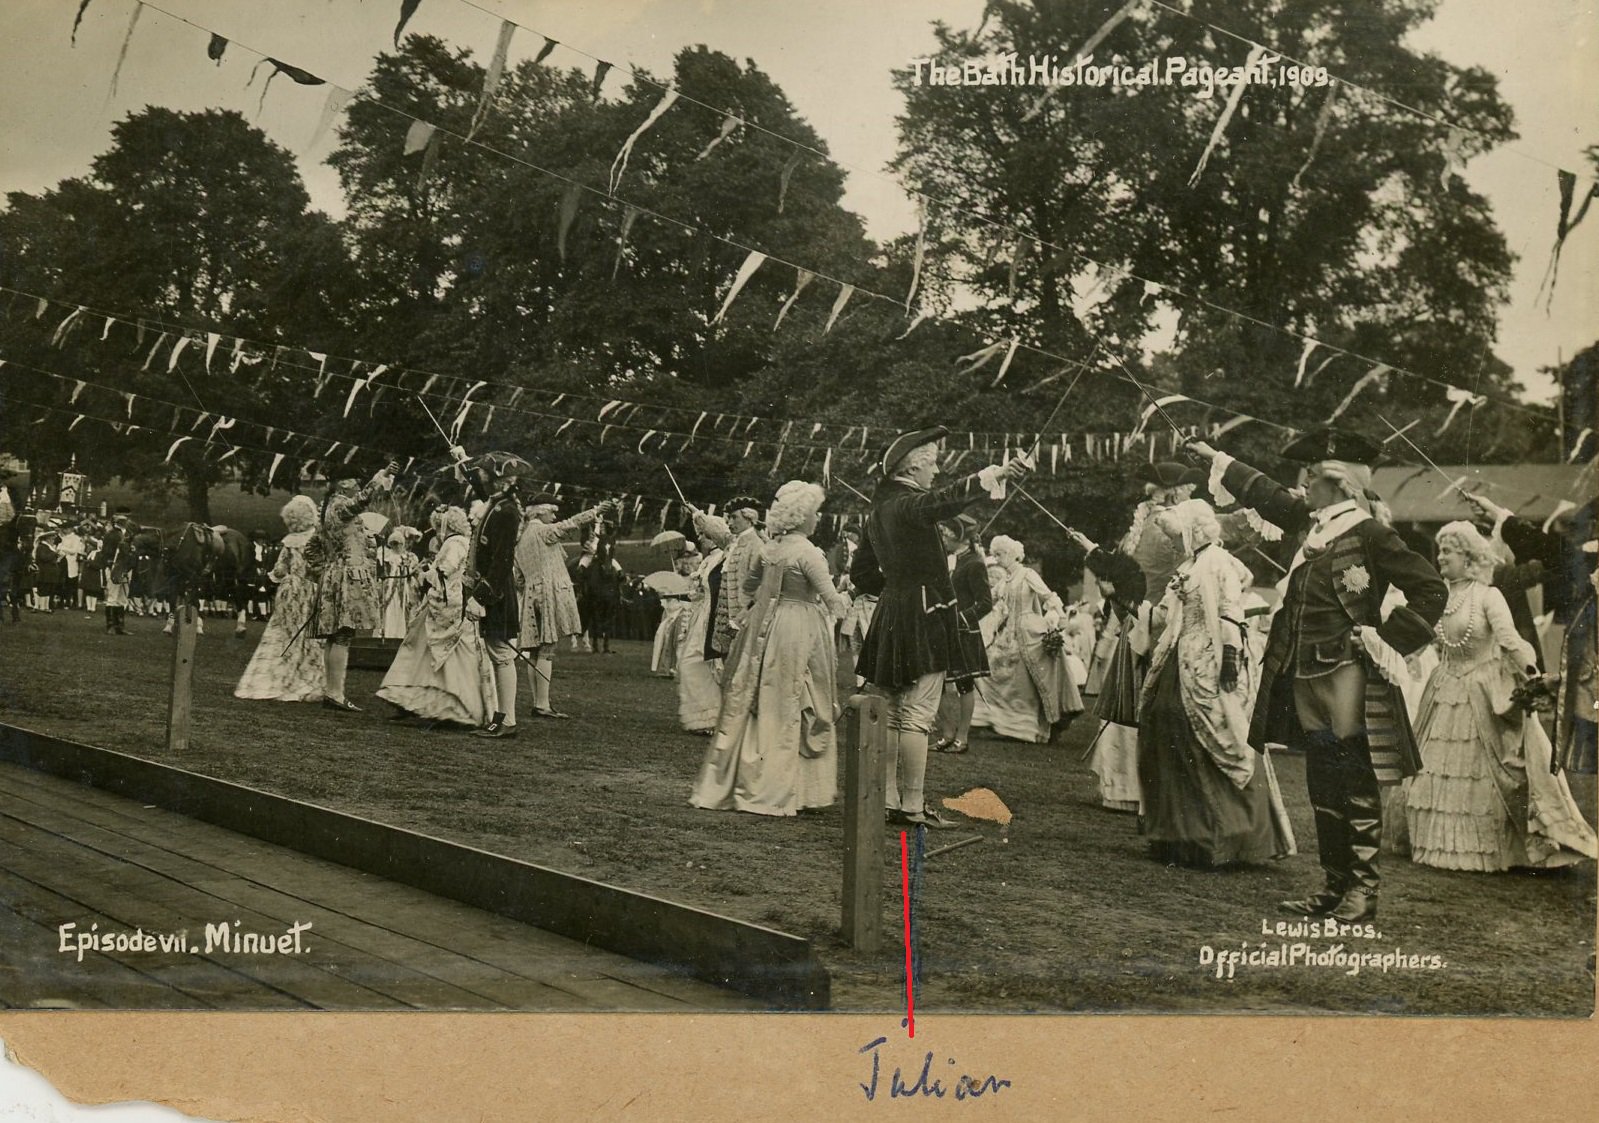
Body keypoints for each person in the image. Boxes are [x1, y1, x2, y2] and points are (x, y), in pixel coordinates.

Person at [1188, 428, 1446, 922]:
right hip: (1303, 673)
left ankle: (1363, 892)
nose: (1302, 483)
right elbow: (1263, 491)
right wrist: (1213, 458)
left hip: (1347, 674)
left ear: (1338, 482)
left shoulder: (1370, 533)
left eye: (1312, 476)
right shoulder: (1314, 526)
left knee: (1353, 779)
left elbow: (1431, 590)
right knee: (1323, 783)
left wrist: (1382, 639)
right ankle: (1334, 886)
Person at [850, 426, 1030, 828]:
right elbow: (940, 502)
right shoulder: (908, 503)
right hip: (924, 615)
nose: (935, 470)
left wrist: (896, 592)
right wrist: (995, 475)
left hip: (894, 614)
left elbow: (861, 571)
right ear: (912, 465)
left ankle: (892, 800)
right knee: (916, 715)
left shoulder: (881, 508)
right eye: (931, 463)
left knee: (897, 714)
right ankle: (911, 805)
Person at [1403, 522, 1596, 870]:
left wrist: (1532, 674)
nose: (1441, 556)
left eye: (1449, 551)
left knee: (1485, 772)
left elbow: (1509, 640)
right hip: (1443, 688)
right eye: (1441, 550)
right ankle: (1436, 843)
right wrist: (1406, 653)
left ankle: (1485, 847)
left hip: (1481, 690)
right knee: (1435, 768)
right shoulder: (1440, 594)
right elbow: (1423, 634)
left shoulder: (1488, 595)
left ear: (1469, 557)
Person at [1135, 499, 1288, 866]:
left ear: (1192, 532)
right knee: (1163, 724)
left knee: (1211, 734)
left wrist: (1231, 657)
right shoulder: (1188, 565)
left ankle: (1220, 836)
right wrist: (1129, 604)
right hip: (1178, 657)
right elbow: (1162, 616)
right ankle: (1177, 836)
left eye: (1175, 537)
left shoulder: (1217, 561)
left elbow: (1230, 610)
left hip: (1210, 659)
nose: (1172, 544)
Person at [691, 481, 849, 815]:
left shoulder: (770, 550)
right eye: (814, 513)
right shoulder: (808, 553)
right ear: (802, 516)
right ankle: (794, 788)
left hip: (768, 625)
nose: (818, 519)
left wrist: (760, 610)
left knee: (764, 697)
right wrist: (847, 598)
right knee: (800, 696)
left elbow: (749, 589)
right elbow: (832, 599)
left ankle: (756, 777)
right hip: (800, 626)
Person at [377, 506, 495, 726]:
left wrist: (422, 575)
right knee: (432, 651)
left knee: (420, 650)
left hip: (447, 605)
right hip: (453, 603)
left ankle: (449, 707)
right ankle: (429, 703)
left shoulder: (453, 543)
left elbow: (444, 572)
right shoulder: (466, 543)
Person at [514, 491, 618, 720]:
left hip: (531, 595)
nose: (554, 516)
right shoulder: (541, 531)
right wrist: (596, 512)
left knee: (534, 651)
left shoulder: (522, 537)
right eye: (551, 511)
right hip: (547, 594)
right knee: (547, 649)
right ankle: (542, 704)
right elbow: (569, 525)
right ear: (540, 511)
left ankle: (538, 701)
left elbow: (518, 578)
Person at [971, 534, 1083, 744]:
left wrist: (1058, 617)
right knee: (990, 667)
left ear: (1013, 554)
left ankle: (1027, 726)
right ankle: (996, 721)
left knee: (1027, 677)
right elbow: (988, 598)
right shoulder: (1004, 580)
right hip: (1008, 634)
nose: (998, 558)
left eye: (1001, 554)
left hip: (1030, 630)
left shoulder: (1027, 574)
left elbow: (1047, 595)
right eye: (995, 554)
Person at [307, 464, 398, 712]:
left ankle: (332, 691)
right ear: (342, 483)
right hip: (347, 577)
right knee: (343, 635)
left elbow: (311, 548)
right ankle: (335, 693)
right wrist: (380, 476)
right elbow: (360, 502)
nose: (357, 484)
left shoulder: (328, 507)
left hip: (335, 576)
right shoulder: (339, 505)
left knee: (336, 635)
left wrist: (323, 571)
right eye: (353, 480)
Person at [235, 496, 326, 703]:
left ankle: (275, 678)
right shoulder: (317, 540)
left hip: (289, 591)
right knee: (309, 636)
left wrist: (268, 579)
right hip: (309, 590)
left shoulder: (289, 541)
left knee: (283, 634)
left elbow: (279, 570)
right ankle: (306, 681)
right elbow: (319, 568)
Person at [468, 457, 533, 739]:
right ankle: (503, 718)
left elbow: (501, 560)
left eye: (484, 471)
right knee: (498, 653)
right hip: (493, 586)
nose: (480, 474)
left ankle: (507, 720)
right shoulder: (498, 502)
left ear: (499, 479)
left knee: (502, 654)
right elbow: (479, 486)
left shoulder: (506, 511)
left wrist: (481, 597)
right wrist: (460, 457)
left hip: (496, 589)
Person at [933, 514, 993, 754]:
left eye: (947, 534)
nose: (943, 539)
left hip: (963, 632)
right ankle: (946, 734)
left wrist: (960, 618)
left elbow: (985, 603)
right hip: (942, 631)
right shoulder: (949, 560)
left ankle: (962, 737)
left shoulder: (975, 563)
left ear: (959, 537)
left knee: (964, 684)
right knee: (936, 683)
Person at [679, 515, 732, 733]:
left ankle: (714, 718)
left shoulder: (725, 557)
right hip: (702, 616)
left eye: (704, 535)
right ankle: (705, 717)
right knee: (692, 664)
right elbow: (700, 592)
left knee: (710, 667)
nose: (701, 539)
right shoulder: (708, 559)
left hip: (716, 616)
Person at [651, 546, 698, 676]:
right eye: (685, 564)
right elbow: (665, 595)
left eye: (690, 564)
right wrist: (665, 594)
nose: (687, 567)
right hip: (675, 611)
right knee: (667, 633)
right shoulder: (674, 578)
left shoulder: (695, 579)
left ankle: (684, 667)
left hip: (690, 611)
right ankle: (669, 667)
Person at [574, 537, 626, 654]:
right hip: (590, 555)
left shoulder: (607, 535)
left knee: (620, 572)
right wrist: (589, 548)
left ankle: (619, 593)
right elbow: (584, 542)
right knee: (581, 569)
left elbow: (611, 546)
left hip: (605, 557)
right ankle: (580, 591)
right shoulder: (590, 528)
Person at [376, 527, 421, 640]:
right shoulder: (387, 556)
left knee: (403, 607)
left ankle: (401, 634)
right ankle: (387, 634)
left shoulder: (409, 557)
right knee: (390, 609)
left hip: (404, 586)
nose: (396, 546)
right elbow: (384, 569)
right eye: (393, 544)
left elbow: (412, 572)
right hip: (390, 586)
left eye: (398, 543)